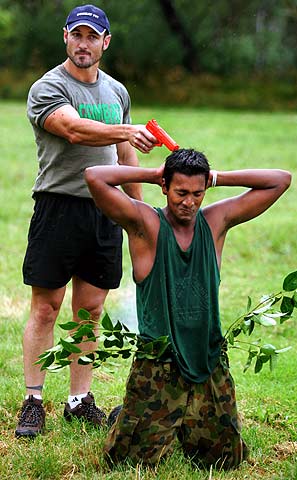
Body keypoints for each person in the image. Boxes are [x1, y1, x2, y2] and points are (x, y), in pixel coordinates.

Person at [84, 148, 292, 469]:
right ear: (165, 187)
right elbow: (95, 177)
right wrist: (153, 173)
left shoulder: (215, 221)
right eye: (180, 192)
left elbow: (280, 180)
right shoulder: (145, 224)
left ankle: (180, 423)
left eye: (197, 193)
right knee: (128, 461)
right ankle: (128, 416)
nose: (189, 202)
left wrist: (217, 178)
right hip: (158, 364)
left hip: (207, 358)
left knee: (225, 460)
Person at [15, 4, 157, 438]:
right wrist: (126, 132)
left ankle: (80, 401)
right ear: (65, 38)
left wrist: (140, 211)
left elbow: (125, 155)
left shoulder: (116, 92)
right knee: (47, 308)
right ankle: (34, 401)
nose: (83, 44)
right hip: (58, 206)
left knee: (90, 311)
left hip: (105, 211)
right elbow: (73, 128)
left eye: (92, 37)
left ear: (105, 42)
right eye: (77, 35)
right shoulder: (48, 87)